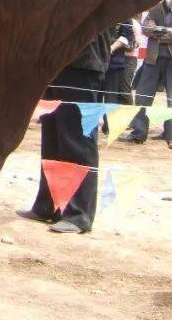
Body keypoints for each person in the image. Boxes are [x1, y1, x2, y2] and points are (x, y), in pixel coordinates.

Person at [18, 30, 111, 234]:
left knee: (77, 140)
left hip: (83, 64)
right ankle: (47, 205)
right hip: (57, 61)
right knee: (52, 140)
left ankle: (79, 214)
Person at [119, 0, 172, 149]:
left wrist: (158, 32)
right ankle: (138, 132)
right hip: (153, 58)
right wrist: (169, 31)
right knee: (142, 96)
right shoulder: (153, 9)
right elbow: (145, 29)